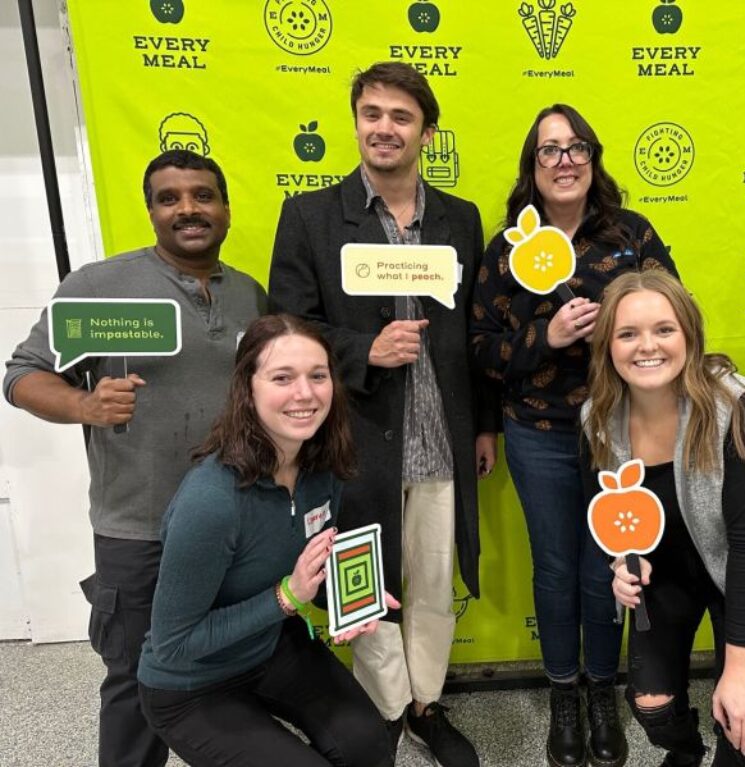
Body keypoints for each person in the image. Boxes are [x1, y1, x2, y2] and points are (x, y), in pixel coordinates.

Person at [3, 149, 266, 767]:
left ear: (225, 209)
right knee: (135, 679)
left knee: (231, 668)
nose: (188, 209)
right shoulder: (98, 286)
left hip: (235, 520)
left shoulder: (251, 295)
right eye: (170, 198)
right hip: (139, 528)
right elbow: (21, 376)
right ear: (150, 211)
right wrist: (83, 406)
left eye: (202, 195)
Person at [268, 61, 497, 767]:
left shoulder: (458, 218)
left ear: (426, 131)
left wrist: (483, 421)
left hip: (440, 435)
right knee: (363, 584)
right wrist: (367, 348)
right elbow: (289, 325)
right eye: (372, 113)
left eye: (400, 117)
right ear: (357, 120)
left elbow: (478, 332)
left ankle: (425, 704)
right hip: (355, 438)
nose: (384, 128)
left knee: (430, 581)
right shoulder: (311, 214)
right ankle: (381, 712)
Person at [470, 103, 679, 767]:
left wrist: (629, 328)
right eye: (549, 150)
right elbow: (477, 349)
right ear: (532, 167)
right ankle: (564, 690)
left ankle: (601, 688)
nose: (564, 160)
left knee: (607, 570)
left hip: (620, 433)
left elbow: (674, 315)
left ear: (593, 158)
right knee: (557, 568)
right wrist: (545, 336)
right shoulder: (506, 249)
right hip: (536, 431)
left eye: (576, 147)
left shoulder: (631, 235)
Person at [136, 314, 394, 767]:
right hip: (192, 685)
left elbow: (309, 567)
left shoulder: (322, 468)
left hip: (270, 646)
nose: (305, 393)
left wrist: (351, 601)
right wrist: (286, 597)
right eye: (282, 377)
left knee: (369, 747)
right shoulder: (211, 501)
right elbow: (174, 643)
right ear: (247, 389)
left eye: (318, 376)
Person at [580, 270, 745, 767]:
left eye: (664, 330)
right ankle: (685, 750)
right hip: (666, 577)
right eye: (627, 334)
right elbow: (604, 513)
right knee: (651, 709)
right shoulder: (596, 416)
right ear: (607, 346)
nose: (647, 347)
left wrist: (742, 671)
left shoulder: (734, 407)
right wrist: (619, 563)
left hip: (743, 575)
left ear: (689, 335)